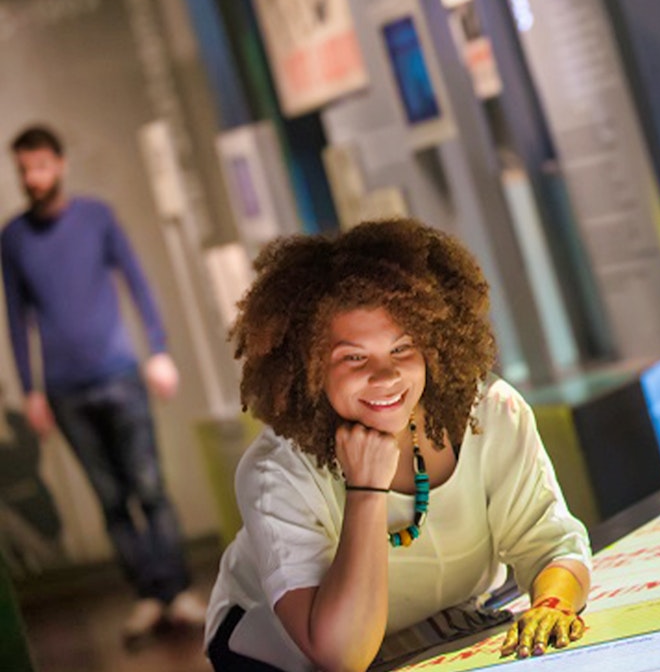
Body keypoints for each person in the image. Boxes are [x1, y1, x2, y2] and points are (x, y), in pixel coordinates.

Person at [205, 218, 592, 672]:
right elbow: (340, 655)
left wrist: (552, 603)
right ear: (305, 366)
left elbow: (551, 543)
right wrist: (366, 490)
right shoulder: (277, 470)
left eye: (402, 348)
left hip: (434, 628)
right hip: (283, 655)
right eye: (353, 357)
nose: (385, 375)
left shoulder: (490, 414)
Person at [1, 124, 206, 641]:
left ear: (60, 163)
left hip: (117, 373)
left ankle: (176, 591)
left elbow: (137, 281)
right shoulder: (14, 238)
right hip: (64, 390)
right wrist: (31, 389)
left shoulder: (97, 217)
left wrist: (158, 349)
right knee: (111, 500)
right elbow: (15, 315)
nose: (33, 177)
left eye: (41, 165)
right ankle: (147, 595)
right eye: (24, 169)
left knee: (149, 488)